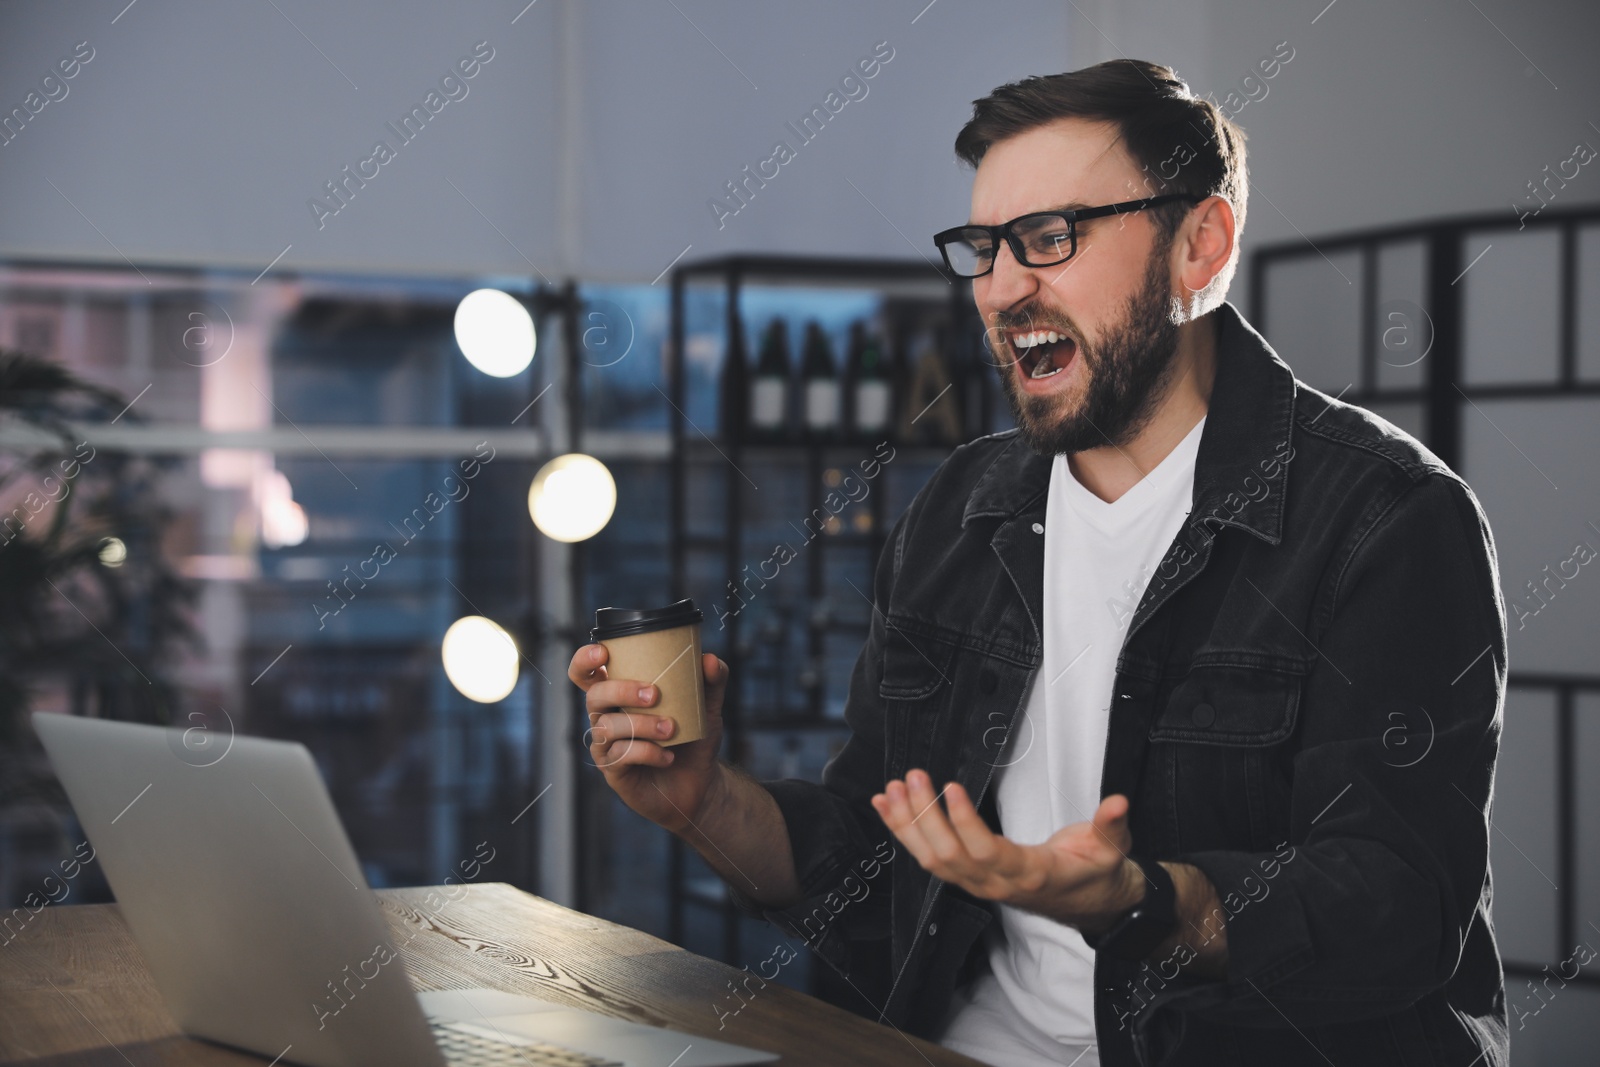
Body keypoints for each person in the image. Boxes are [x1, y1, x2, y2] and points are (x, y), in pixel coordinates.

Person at [569, 59, 1506, 1067]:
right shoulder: (959, 512)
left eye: (1051, 237)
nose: (1004, 286)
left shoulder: (1385, 516)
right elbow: (873, 863)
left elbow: (1396, 912)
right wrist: (703, 804)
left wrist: (1137, 899)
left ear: (1199, 245)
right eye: (983, 246)